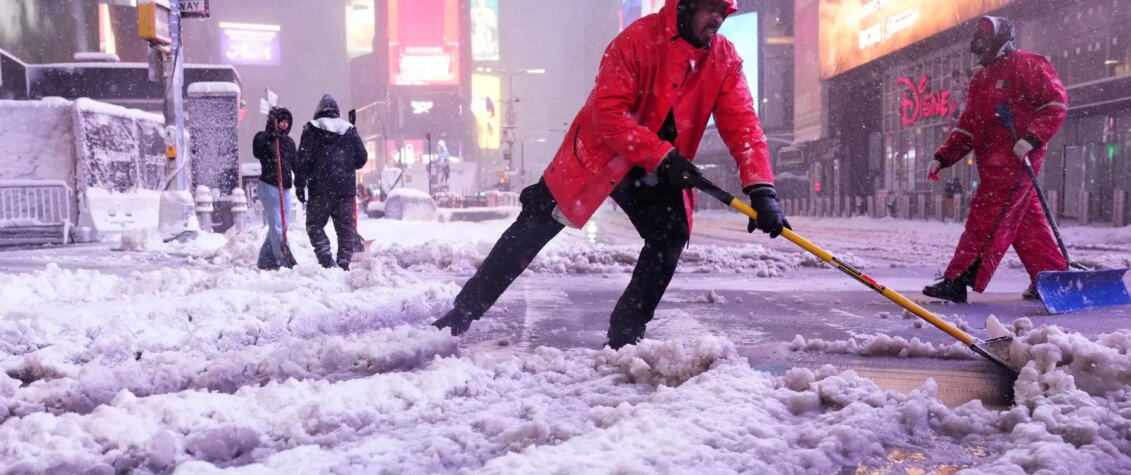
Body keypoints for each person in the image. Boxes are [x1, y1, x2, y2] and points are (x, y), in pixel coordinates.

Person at [433, 0, 787, 348]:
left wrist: (762, 191)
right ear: (686, 6)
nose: (717, 18)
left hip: (655, 167)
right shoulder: (637, 40)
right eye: (710, 8)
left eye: (723, 11)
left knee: (671, 233)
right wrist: (663, 156)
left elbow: (744, 126)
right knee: (534, 224)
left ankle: (626, 333)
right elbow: (609, 113)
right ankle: (463, 312)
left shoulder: (724, 59)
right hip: (600, 153)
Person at [923, 15, 1067, 303]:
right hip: (991, 164)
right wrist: (944, 156)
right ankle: (1052, 278)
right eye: (976, 40)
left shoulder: (1027, 64)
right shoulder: (981, 80)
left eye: (983, 39)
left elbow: (1056, 103)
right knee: (1025, 223)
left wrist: (1032, 139)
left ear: (1000, 39)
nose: (978, 45)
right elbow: (968, 126)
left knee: (987, 217)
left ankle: (958, 279)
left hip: (1015, 161)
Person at [294, 94, 368, 270]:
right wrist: (347, 163)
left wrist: (300, 184)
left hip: (320, 189)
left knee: (314, 225)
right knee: (345, 229)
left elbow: (303, 161)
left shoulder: (311, 129)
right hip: (345, 190)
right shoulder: (349, 129)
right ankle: (343, 262)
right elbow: (362, 158)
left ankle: (326, 259)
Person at [252, 106, 297, 270]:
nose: (285, 125)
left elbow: (295, 164)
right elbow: (257, 151)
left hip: (285, 187)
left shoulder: (289, 142)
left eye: (287, 122)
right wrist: (270, 138)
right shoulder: (262, 137)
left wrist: (301, 181)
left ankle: (265, 259)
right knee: (277, 224)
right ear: (274, 121)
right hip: (269, 186)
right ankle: (284, 260)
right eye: (281, 121)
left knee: (283, 225)